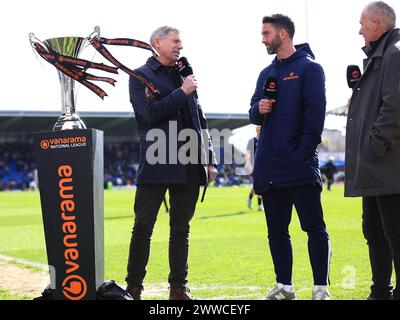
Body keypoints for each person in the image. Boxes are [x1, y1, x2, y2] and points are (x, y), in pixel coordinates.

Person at [125, 26, 218, 300]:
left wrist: (209, 159)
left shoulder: (183, 74)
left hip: (189, 162)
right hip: (156, 161)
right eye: (175, 41)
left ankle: (178, 288)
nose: (180, 46)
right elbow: (150, 114)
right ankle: (133, 287)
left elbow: (199, 121)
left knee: (181, 229)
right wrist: (182, 91)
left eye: (181, 41)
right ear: (158, 42)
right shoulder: (140, 76)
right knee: (143, 227)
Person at [249, 14, 331, 300]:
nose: (262, 39)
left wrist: (301, 154)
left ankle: (321, 288)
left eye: (266, 33)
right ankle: (284, 287)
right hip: (270, 166)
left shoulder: (311, 69)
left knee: (313, 227)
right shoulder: (265, 73)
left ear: (283, 34)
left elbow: (315, 118)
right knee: (276, 232)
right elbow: (252, 112)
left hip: (299, 165)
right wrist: (260, 107)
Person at [345, 1, 400, 300]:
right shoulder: (380, 56)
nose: (359, 30)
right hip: (375, 166)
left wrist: (374, 146)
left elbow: (395, 108)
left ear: (377, 24)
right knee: (375, 232)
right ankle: (380, 291)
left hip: (388, 166)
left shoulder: (395, 54)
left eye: (362, 23)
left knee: (394, 233)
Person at [246, 126, 263, 211]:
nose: (260, 130)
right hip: (254, 166)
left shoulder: (265, 139)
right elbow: (248, 154)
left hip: (264, 166)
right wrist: (249, 165)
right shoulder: (252, 141)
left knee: (258, 184)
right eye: (258, 129)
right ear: (256, 130)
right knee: (258, 184)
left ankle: (249, 198)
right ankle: (259, 205)